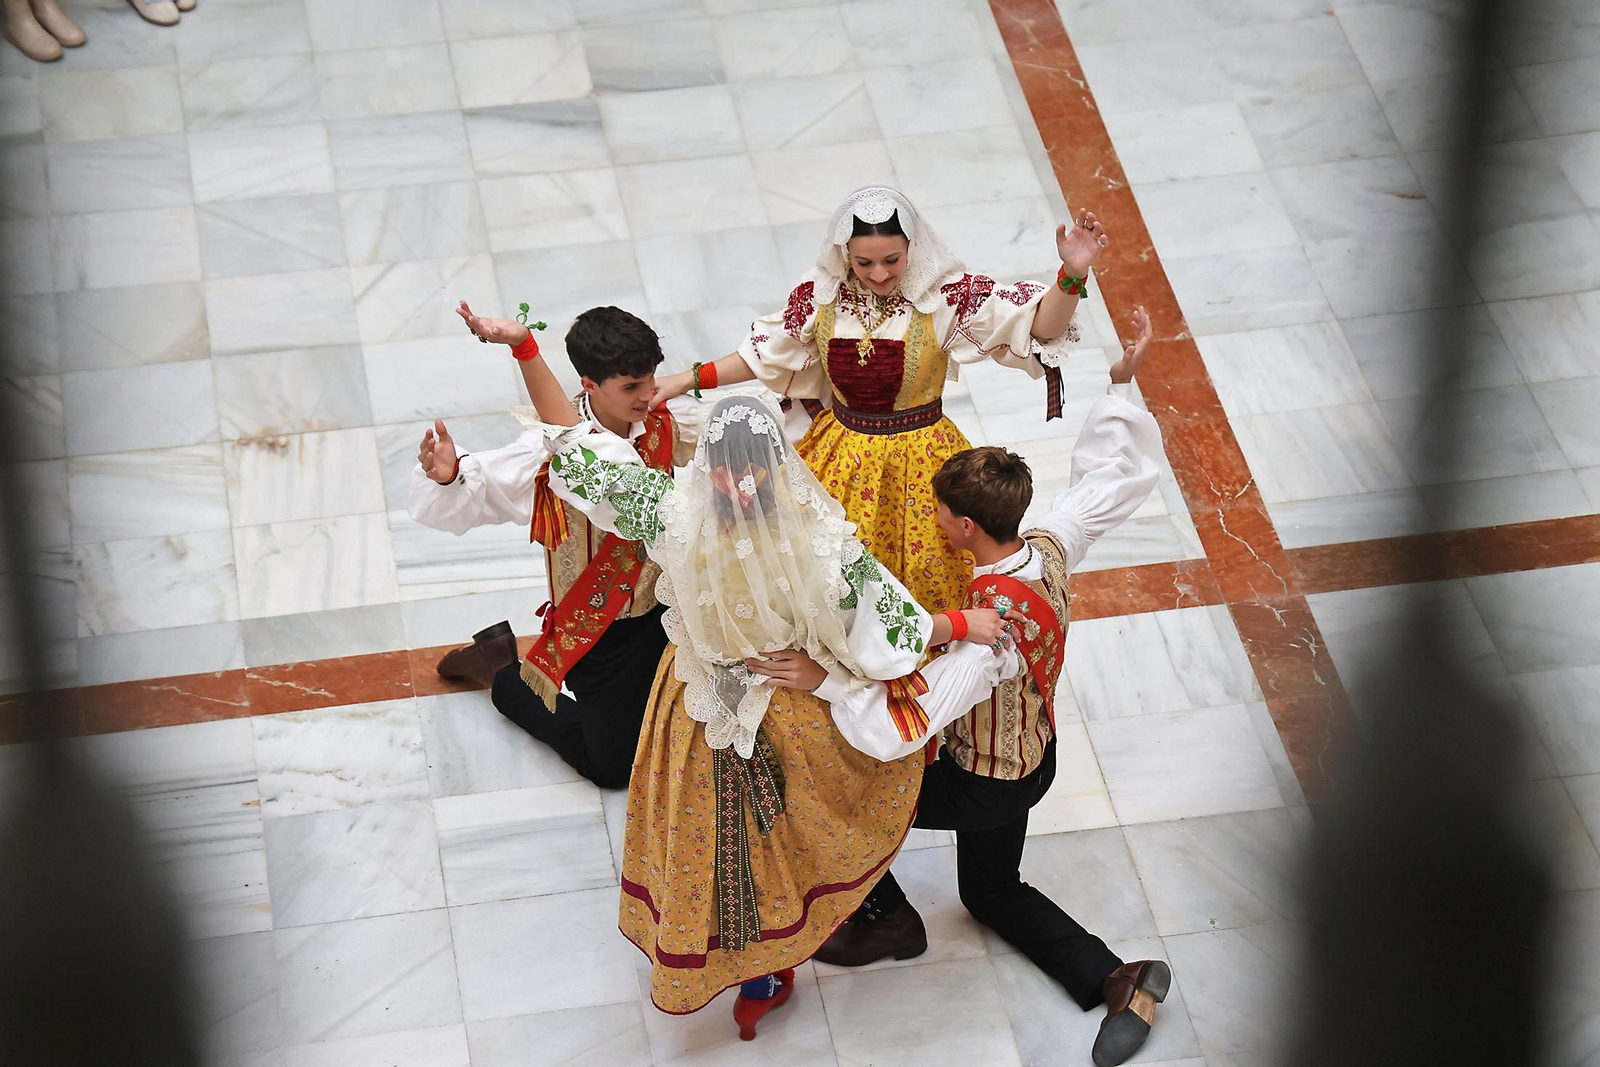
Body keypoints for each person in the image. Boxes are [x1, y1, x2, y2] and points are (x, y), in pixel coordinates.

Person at [471, 302, 1018, 1035]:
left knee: (707, 839)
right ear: (779, 471)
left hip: (693, 707)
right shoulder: (818, 548)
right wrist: (963, 624)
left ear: (710, 471)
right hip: (789, 703)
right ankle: (786, 946)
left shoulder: (673, 514)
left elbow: (574, 447)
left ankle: (748, 966)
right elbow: (889, 626)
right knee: (785, 831)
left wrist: (526, 350)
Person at [753, 307, 1174, 1067]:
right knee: (990, 890)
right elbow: (1107, 481)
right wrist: (1120, 383)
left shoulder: (988, 635)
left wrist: (823, 682)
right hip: (1033, 756)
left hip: (985, 777)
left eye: (940, 511)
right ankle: (1120, 976)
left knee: (852, 792)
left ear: (967, 528)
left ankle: (885, 919)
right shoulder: (1048, 545)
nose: (934, 517)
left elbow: (906, 723)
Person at [650, 184, 1110, 617]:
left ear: (913, 246)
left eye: (892, 259)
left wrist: (1071, 277)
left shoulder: (944, 296)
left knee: (929, 577)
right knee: (829, 579)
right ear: (844, 255)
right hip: (840, 454)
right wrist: (685, 380)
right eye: (863, 263)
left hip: (925, 461)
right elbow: (765, 352)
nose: (879, 274)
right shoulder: (822, 295)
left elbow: (1038, 328)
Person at [411, 305, 715, 789]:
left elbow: (727, 438)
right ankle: (500, 670)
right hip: (598, 632)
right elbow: (481, 486)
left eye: (650, 379)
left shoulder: (665, 420)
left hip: (668, 611)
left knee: (704, 735)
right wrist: (449, 475)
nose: (646, 395)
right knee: (613, 769)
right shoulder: (548, 454)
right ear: (590, 384)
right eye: (630, 388)